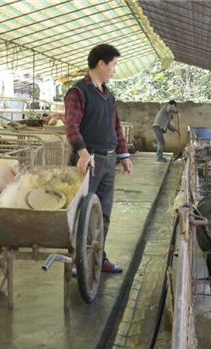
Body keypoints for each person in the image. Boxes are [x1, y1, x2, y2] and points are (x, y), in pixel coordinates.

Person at [64, 44, 132, 273]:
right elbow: (71, 125)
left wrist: (124, 155)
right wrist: (82, 152)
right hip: (89, 160)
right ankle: (76, 259)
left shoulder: (108, 95)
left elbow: (116, 127)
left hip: (108, 160)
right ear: (101, 63)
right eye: (113, 65)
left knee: (103, 212)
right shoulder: (78, 92)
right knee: (82, 211)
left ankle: (98, 256)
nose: (114, 70)